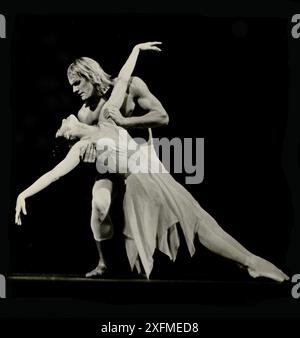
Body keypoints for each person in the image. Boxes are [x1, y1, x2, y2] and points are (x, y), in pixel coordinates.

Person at [15, 42, 289, 283]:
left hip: (147, 171)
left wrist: (135, 51)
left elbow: (122, 80)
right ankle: (250, 262)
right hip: (140, 177)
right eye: (64, 127)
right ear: (70, 136)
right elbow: (53, 175)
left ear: (89, 76)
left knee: (197, 221)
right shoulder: (81, 146)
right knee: (193, 222)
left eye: (64, 122)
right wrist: (24, 193)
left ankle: (251, 262)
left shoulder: (109, 114)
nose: (66, 120)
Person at [66, 47, 169, 277]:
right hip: (110, 165)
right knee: (99, 203)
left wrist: (125, 122)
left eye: (77, 83)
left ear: (90, 75)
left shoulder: (130, 86)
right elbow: (90, 145)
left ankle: (149, 262)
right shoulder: (85, 113)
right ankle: (104, 263)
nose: (74, 90)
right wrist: (88, 152)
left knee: (155, 208)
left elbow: (162, 117)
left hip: (141, 159)